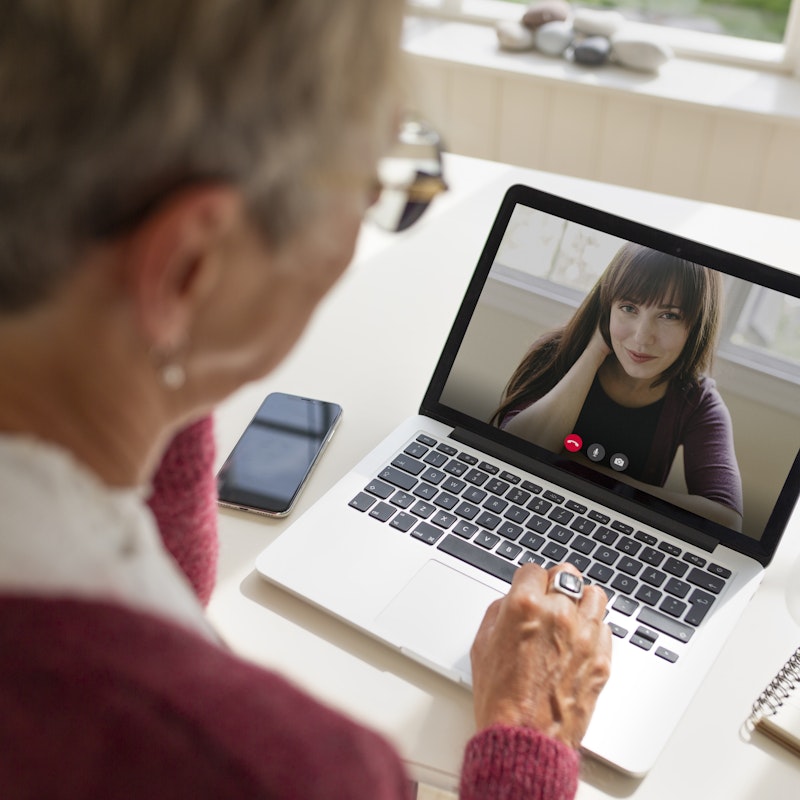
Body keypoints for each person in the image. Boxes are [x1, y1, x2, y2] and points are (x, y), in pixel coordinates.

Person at [0, 2, 612, 798]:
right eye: (381, 179)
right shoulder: (278, 769)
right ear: (192, 264)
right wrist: (529, 736)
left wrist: (157, 374)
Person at [493, 242, 743, 531]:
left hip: (613, 536)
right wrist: (594, 352)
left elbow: (727, 519)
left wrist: (588, 472)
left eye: (669, 315)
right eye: (628, 307)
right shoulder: (555, 353)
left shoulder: (698, 401)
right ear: (606, 307)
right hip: (519, 510)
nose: (641, 338)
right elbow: (511, 451)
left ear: (698, 324)